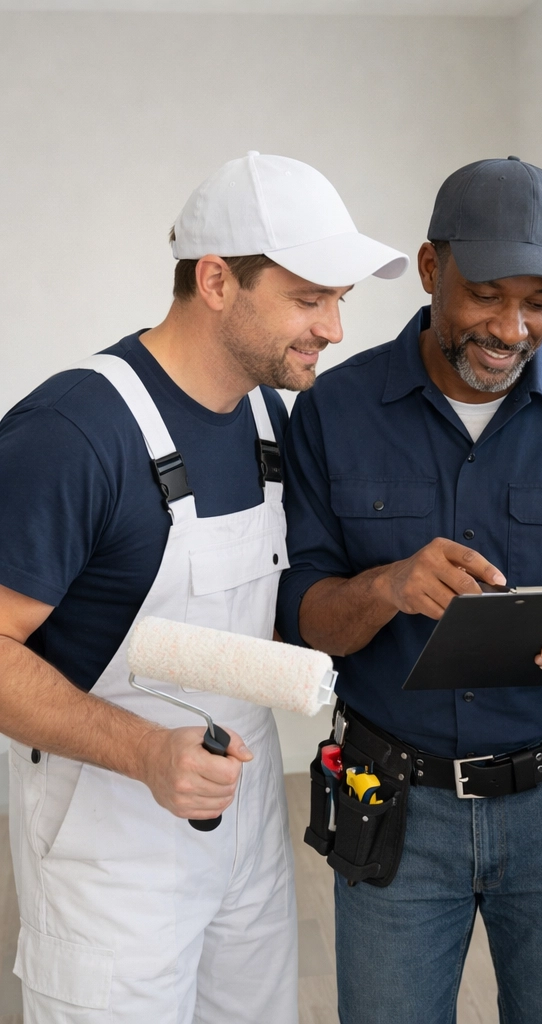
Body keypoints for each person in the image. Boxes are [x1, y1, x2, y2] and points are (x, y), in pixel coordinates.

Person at [278, 156, 542, 1024]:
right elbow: (308, 619)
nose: (512, 326)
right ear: (432, 272)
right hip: (392, 805)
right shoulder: (330, 412)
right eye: (487, 294)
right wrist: (389, 586)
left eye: (537, 302)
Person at [0, 152, 407, 1023]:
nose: (335, 329)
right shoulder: (76, 430)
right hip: (110, 837)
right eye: (309, 299)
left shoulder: (268, 418)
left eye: (341, 301)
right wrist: (148, 754)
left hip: (243, 815)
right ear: (216, 279)